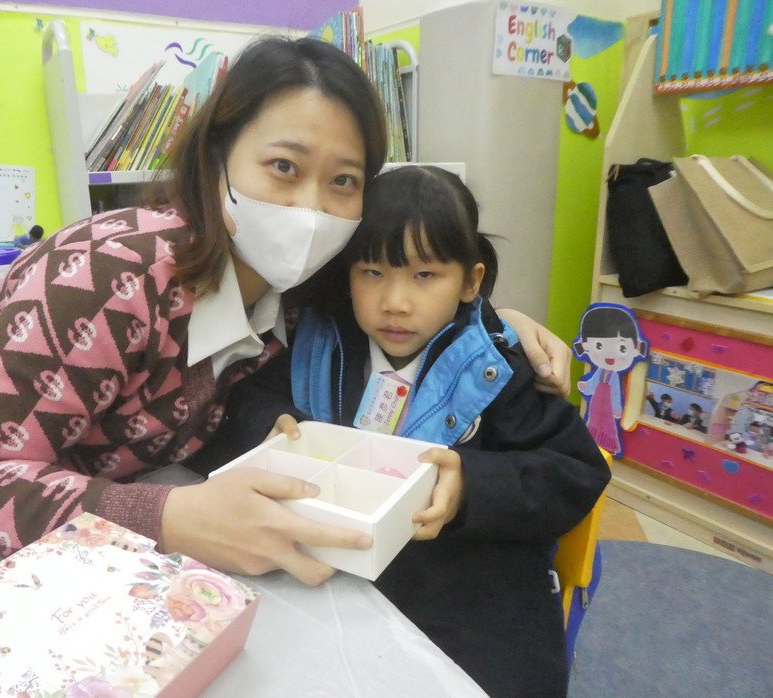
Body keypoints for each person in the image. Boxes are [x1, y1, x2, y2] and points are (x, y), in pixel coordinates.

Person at [0, 37, 572, 591]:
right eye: (283, 167)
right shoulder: (105, 275)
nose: (310, 209)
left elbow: (412, 295)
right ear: (216, 161)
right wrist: (166, 517)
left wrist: (494, 322)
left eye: (343, 181)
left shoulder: (305, 288)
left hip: (119, 513)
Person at [217, 166, 610, 697]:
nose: (395, 303)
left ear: (469, 281)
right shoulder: (321, 345)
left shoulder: (496, 369)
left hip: (463, 581)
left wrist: (470, 485)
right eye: (372, 272)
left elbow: (574, 472)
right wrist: (270, 421)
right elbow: (251, 397)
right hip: (337, 561)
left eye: (425, 275)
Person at [574, 305, 648, 455]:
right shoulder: (599, 371)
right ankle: (592, 442)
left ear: (634, 349)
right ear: (586, 346)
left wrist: (616, 409)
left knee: (607, 423)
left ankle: (606, 446)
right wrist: (586, 386)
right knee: (594, 419)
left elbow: (615, 393)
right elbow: (593, 382)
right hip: (597, 400)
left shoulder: (614, 376)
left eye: (622, 348)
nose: (609, 356)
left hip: (607, 403)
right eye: (599, 346)